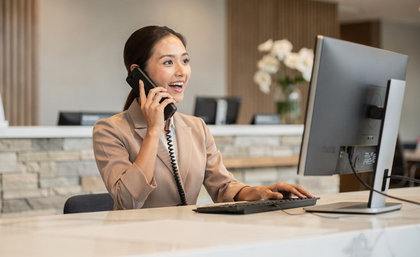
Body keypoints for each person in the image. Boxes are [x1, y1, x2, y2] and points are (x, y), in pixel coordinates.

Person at [93, 25, 313, 210]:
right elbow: (126, 202)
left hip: (189, 241)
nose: (181, 71)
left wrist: (259, 192)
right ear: (138, 73)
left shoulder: (196, 127)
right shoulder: (109, 130)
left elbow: (223, 187)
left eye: (185, 60)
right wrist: (153, 131)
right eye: (168, 62)